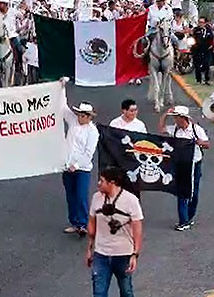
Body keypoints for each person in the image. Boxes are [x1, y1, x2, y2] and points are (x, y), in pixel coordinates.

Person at [86, 167, 143, 297]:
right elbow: (91, 223)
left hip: (123, 254)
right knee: (99, 293)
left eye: (102, 181)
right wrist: (90, 248)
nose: (98, 184)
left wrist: (135, 254)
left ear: (112, 183)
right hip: (101, 254)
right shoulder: (96, 198)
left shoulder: (131, 201)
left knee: (126, 291)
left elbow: (137, 229)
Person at [158, 106, 210, 231]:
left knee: (193, 192)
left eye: (177, 118)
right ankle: (183, 220)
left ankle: (189, 216)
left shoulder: (196, 130)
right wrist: (165, 114)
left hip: (194, 163)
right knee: (182, 192)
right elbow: (161, 129)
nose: (175, 121)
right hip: (181, 164)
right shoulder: (175, 130)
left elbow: (207, 144)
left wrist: (199, 143)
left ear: (184, 118)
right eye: (174, 118)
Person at [60, 90, 100, 237]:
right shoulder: (73, 122)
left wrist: (75, 165)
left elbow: (88, 153)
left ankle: (83, 224)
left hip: (82, 168)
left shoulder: (92, 132)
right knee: (70, 195)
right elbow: (63, 108)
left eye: (83, 116)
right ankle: (74, 222)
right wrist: (62, 88)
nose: (80, 118)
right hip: (67, 165)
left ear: (89, 117)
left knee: (81, 195)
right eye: (79, 115)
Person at [191, 16, 214, 85]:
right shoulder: (196, 30)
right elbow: (192, 37)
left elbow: (212, 38)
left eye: (202, 22)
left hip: (207, 49)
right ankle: (198, 80)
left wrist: (212, 46)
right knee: (197, 65)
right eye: (199, 22)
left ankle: (207, 79)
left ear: (205, 23)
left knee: (207, 64)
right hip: (197, 49)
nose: (200, 24)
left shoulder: (209, 30)